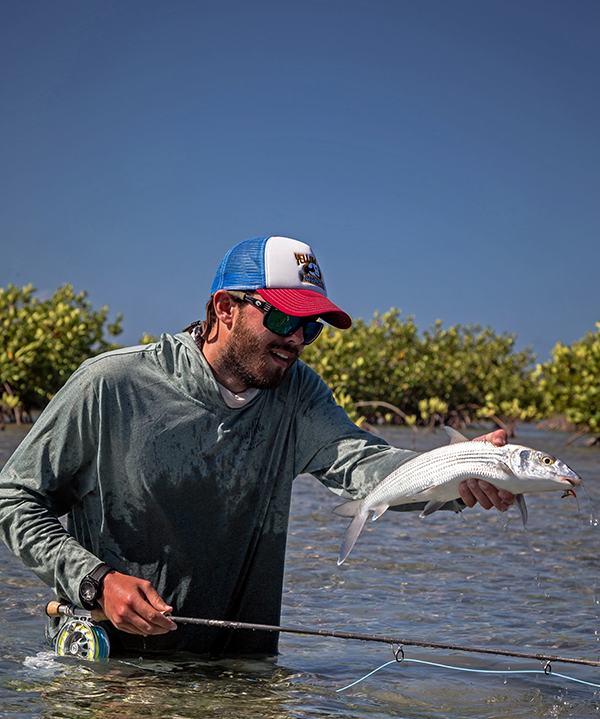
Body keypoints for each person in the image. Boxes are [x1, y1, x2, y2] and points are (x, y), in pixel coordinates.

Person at [0, 236, 514, 656]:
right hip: (113, 671)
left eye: (310, 328)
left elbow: (367, 466)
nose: (296, 340)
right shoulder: (110, 384)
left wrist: (458, 471)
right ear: (225, 308)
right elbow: (15, 497)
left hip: (240, 675)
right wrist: (95, 580)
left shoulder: (297, 394)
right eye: (284, 318)